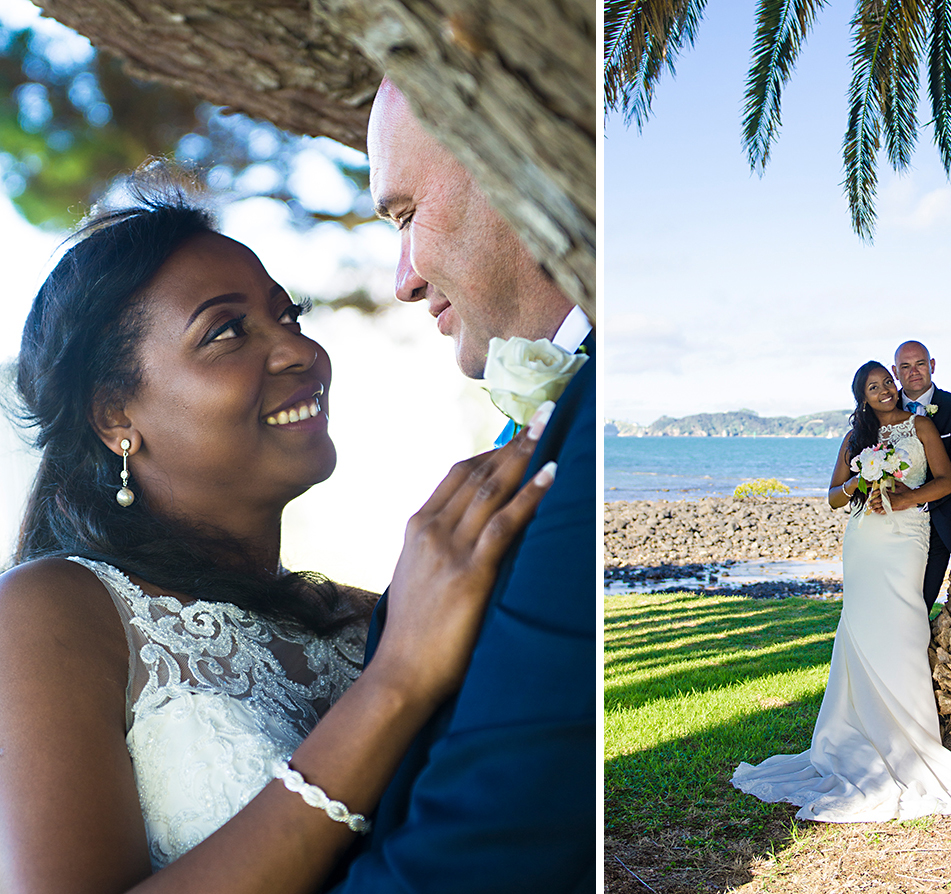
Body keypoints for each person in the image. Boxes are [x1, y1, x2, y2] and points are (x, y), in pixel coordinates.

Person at [0, 191, 556, 894]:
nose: (300, 351)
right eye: (226, 332)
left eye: (287, 315)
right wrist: (395, 684)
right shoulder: (56, 611)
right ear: (115, 414)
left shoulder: (371, 619)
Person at [320, 79, 595, 893]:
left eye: (405, 216)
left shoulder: (576, 454)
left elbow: (484, 849)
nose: (402, 280)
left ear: (519, 168)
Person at [730, 362, 951, 822]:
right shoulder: (855, 438)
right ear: (862, 396)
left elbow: (948, 481)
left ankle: (913, 736)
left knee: (906, 624)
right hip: (865, 537)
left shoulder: (920, 425)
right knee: (862, 626)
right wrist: (858, 481)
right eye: (875, 387)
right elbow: (832, 497)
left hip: (907, 533)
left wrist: (907, 497)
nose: (886, 389)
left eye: (888, 381)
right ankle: (857, 731)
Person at [891, 340, 951, 610]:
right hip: (889, 525)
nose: (913, 371)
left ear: (932, 366)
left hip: (936, 524)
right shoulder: (882, 413)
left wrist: (914, 500)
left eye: (920, 364)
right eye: (905, 366)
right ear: (895, 372)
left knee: (918, 605)